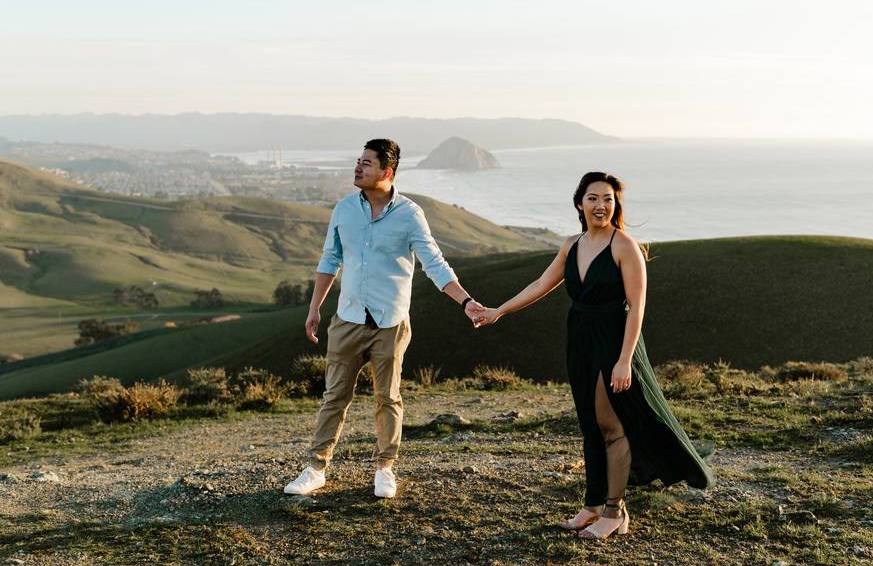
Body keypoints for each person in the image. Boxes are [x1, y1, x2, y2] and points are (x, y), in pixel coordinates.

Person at [475, 172, 715, 539]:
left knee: (611, 424)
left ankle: (615, 512)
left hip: (615, 341)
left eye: (608, 199)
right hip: (580, 339)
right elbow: (542, 284)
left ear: (616, 205)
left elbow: (637, 307)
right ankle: (591, 506)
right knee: (590, 425)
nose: (601, 205)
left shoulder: (624, 246)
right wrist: (499, 310)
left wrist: (624, 360)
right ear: (579, 203)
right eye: (593, 198)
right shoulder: (572, 245)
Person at [284, 138, 485, 499]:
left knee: (388, 398)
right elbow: (330, 261)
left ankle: (384, 469)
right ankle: (316, 468)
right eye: (357, 161)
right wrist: (315, 308)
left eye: (366, 163)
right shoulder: (344, 210)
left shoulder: (410, 214)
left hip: (390, 324)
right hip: (346, 320)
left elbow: (435, 264)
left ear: (387, 172)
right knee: (334, 397)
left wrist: (465, 301)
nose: (357, 167)